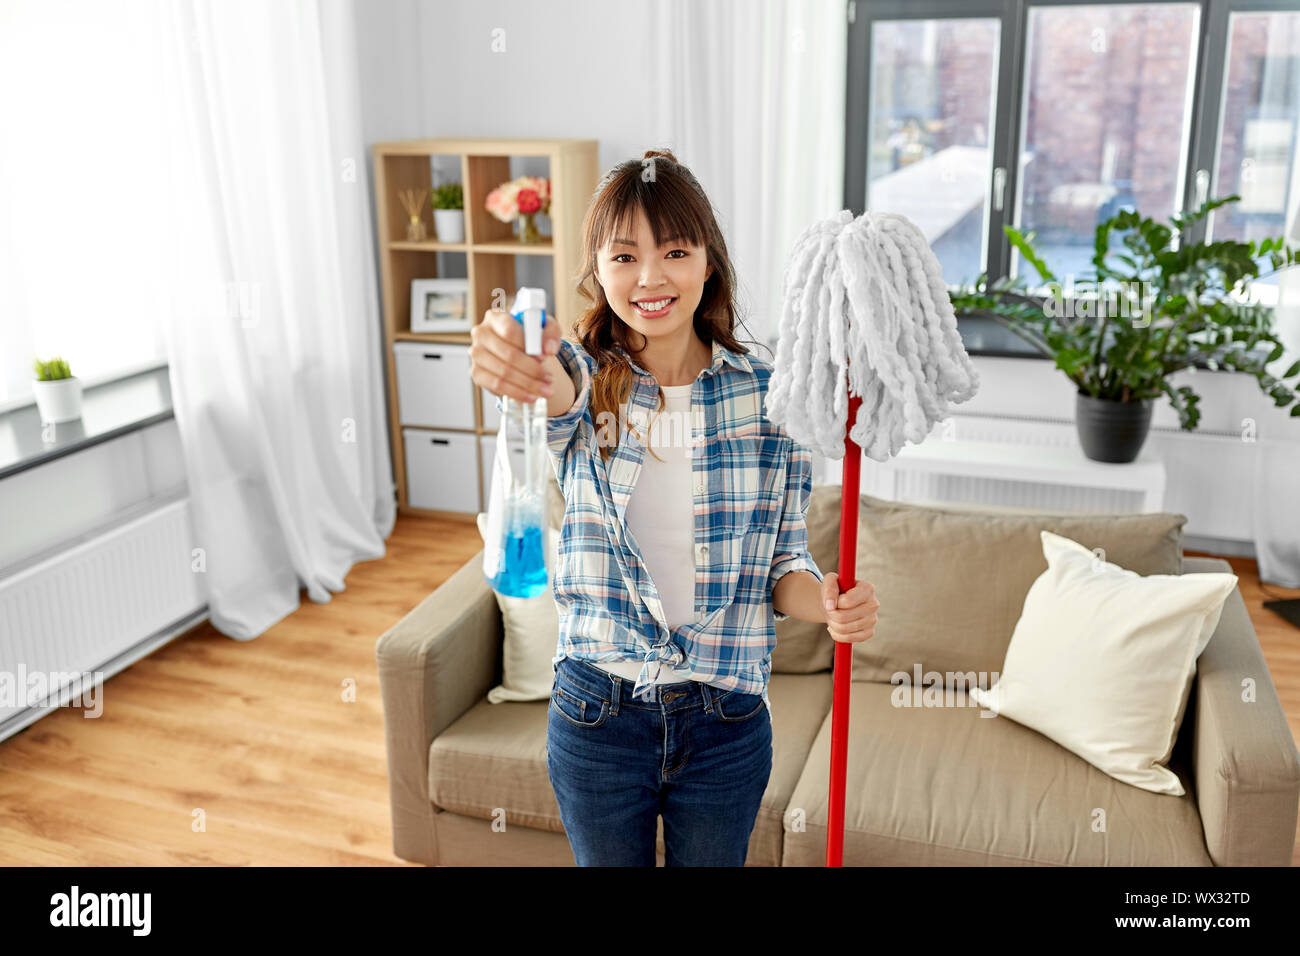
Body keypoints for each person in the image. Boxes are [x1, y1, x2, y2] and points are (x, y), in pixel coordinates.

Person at [468, 148, 879, 866]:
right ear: (598, 268)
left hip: (726, 723)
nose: (650, 278)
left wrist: (827, 600)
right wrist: (519, 362)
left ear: (708, 262)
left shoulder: (770, 396)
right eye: (624, 257)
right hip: (597, 714)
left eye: (675, 251)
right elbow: (550, 390)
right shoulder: (589, 381)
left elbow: (783, 560)